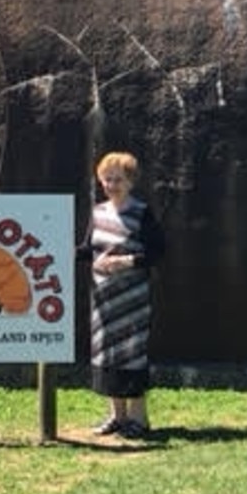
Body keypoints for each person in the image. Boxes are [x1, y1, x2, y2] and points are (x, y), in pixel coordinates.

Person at [77, 151, 166, 439]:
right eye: (106, 179)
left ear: (130, 181)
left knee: (132, 354)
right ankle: (116, 417)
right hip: (103, 300)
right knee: (107, 354)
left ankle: (139, 420)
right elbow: (88, 249)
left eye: (118, 179)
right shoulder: (98, 212)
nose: (111, 184)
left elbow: (157, 252)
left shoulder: (142, 212)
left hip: (133, 301)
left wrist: (124, 262)